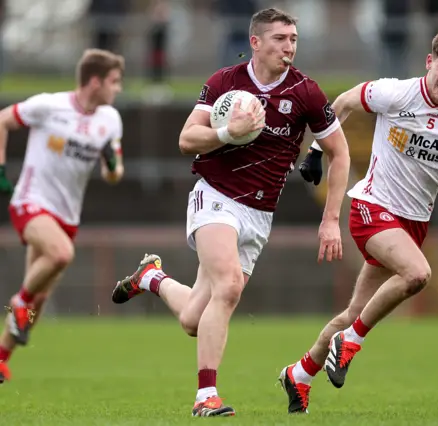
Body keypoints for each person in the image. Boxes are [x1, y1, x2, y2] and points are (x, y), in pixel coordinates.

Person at [110, 8, 350, 417]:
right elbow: (188, 139)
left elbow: (339, 154)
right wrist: (227, 133)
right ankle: (206, 397)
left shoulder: (306, 92)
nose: (288, 47)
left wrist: (330, 219)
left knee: (192, 319)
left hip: (259, 214)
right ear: (255, 42)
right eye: (279, 39)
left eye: (293, 39)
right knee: (229, 287)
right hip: (215, 197)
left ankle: (151, 278)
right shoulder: (225, 83)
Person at [288, 28, 438, 413]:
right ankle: (351, 343)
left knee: (353, 313)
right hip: (371, 208)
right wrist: (317, 149)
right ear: (429, 62)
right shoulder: (396, 93)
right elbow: (345, 102)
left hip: (412, 224)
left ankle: (299, 374)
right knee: (418, 275)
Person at [0, 49, 125, 384]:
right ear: (95, 81)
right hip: (32, 201)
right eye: (114, 82)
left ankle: (1, 358)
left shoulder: (110, 119)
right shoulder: (48, 105)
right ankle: (19, 300)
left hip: (67, 216)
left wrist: (111, 166)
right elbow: (3, 120)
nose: (119, 89)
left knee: (38, 300)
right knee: (60, 256)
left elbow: (115, 172)